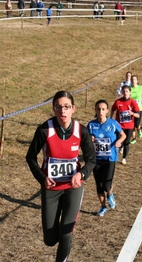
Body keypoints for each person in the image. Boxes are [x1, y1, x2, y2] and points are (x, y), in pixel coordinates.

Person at [26, 90, 96, 262]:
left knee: (66, 232)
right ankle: (54, 237)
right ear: (54, 109)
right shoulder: (44, 130)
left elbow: (91, 160)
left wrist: (81, 174)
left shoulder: (82, 131)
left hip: (73, 187)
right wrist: (42, 178)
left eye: (66, 107)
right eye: (59, 107)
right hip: (51, 188)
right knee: (50, 240)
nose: (63, 111)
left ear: (74, 109)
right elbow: (30, 157)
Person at [87, 100, 126, 216]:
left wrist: (119, 141)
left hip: (110, 158)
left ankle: (110, 194)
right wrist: (90, 139)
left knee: (106, 185)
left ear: (107, 111)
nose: (100, 111)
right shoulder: (91, 125)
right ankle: (103, 207)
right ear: (95, 110)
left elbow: (123, 135)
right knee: (99, 185)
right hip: (97, 159)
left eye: (103, 109)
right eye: (98, 109)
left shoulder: (113, 123)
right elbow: (86, 139)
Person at [111, 85, 140, 164]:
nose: (125, 93)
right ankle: (115, 156)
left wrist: (132, 113)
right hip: (119, 126)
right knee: (118, 142)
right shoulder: (118, 102)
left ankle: (124, 158)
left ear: (130, 92)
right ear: (122, 92)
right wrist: (110, 119)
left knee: (126, 142)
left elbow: (138, 115)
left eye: (127, 91)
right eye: (124, 91)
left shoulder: (133, 102)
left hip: (129, 126)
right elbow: (112, 109)